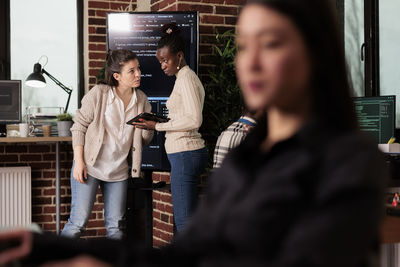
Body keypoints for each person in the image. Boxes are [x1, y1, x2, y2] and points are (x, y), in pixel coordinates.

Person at [0, 0, 389, 266]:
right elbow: (183, 255)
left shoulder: (347, 162)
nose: (250, 62)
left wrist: (153, 128)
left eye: (269, 44)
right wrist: (47, 247)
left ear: (314, 52)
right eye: (242, 46)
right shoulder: (240, 155)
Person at [60, 49, 154, 239]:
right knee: (78, 223)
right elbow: (79, 127)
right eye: (132, 71)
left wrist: (148, 128)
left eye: (138, 69)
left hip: (118, 171)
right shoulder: (99, 94)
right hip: (90, 166)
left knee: (116, 228)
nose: (138, 74)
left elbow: (143, 141)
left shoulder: (141, 99)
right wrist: (79, 162)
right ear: (117, 76)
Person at [133, 23, 208, 232]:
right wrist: (158, 122)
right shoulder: (183, 78)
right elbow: (185, 116)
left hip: (185, 154)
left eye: (166, 60)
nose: (163, 65)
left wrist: (157, 126)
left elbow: (194, 120)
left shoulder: (186, 78)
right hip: (184, 154)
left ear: (180, 56)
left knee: (184, 224)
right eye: (160, 61)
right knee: (186, 222)